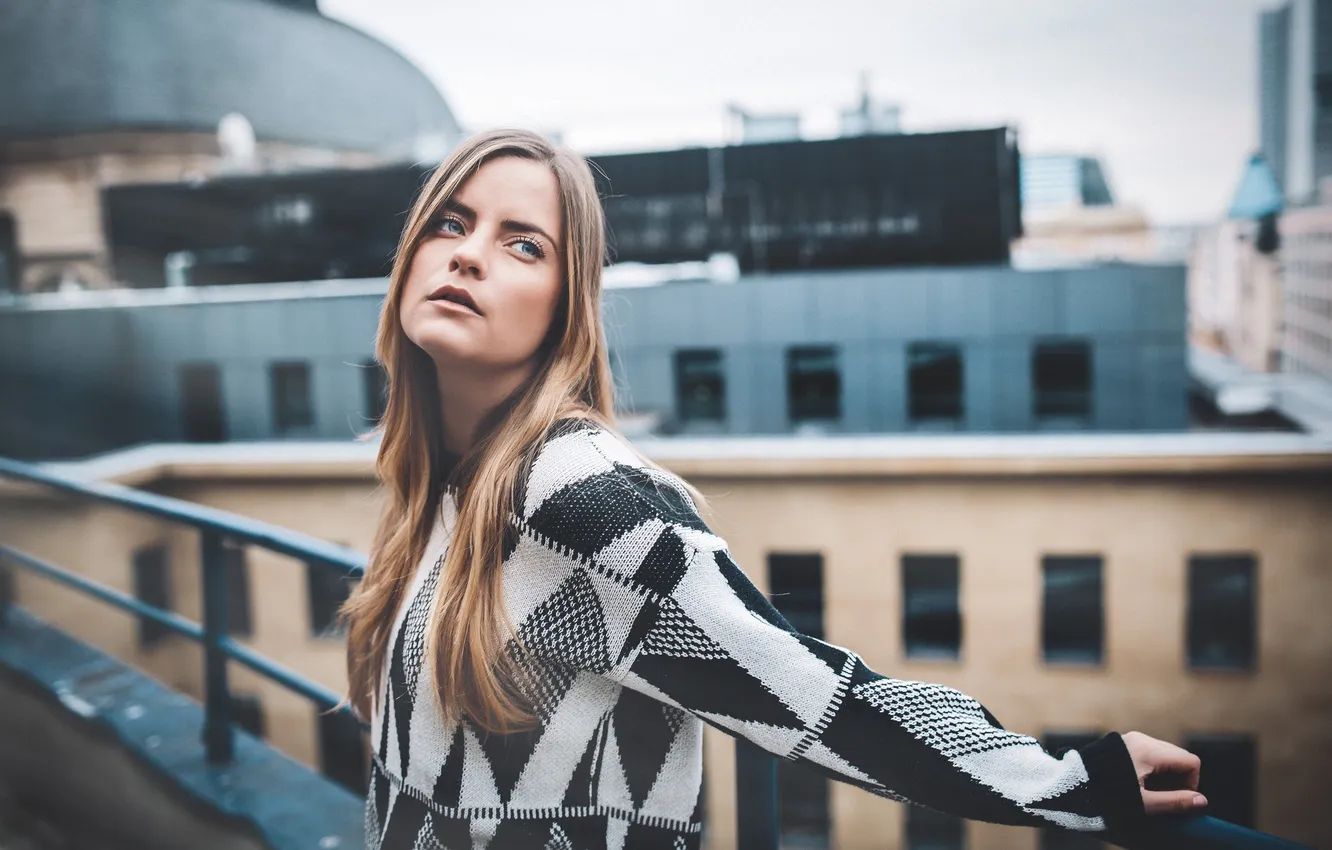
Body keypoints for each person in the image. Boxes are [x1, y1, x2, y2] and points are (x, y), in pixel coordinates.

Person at [341, 128, 1206, 850]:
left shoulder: (578, 496)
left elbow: (814, 699)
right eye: (450, 223)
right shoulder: (443, 484)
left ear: (568, 307)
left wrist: (1077, 785)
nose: (469, 255)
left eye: (523, 243)